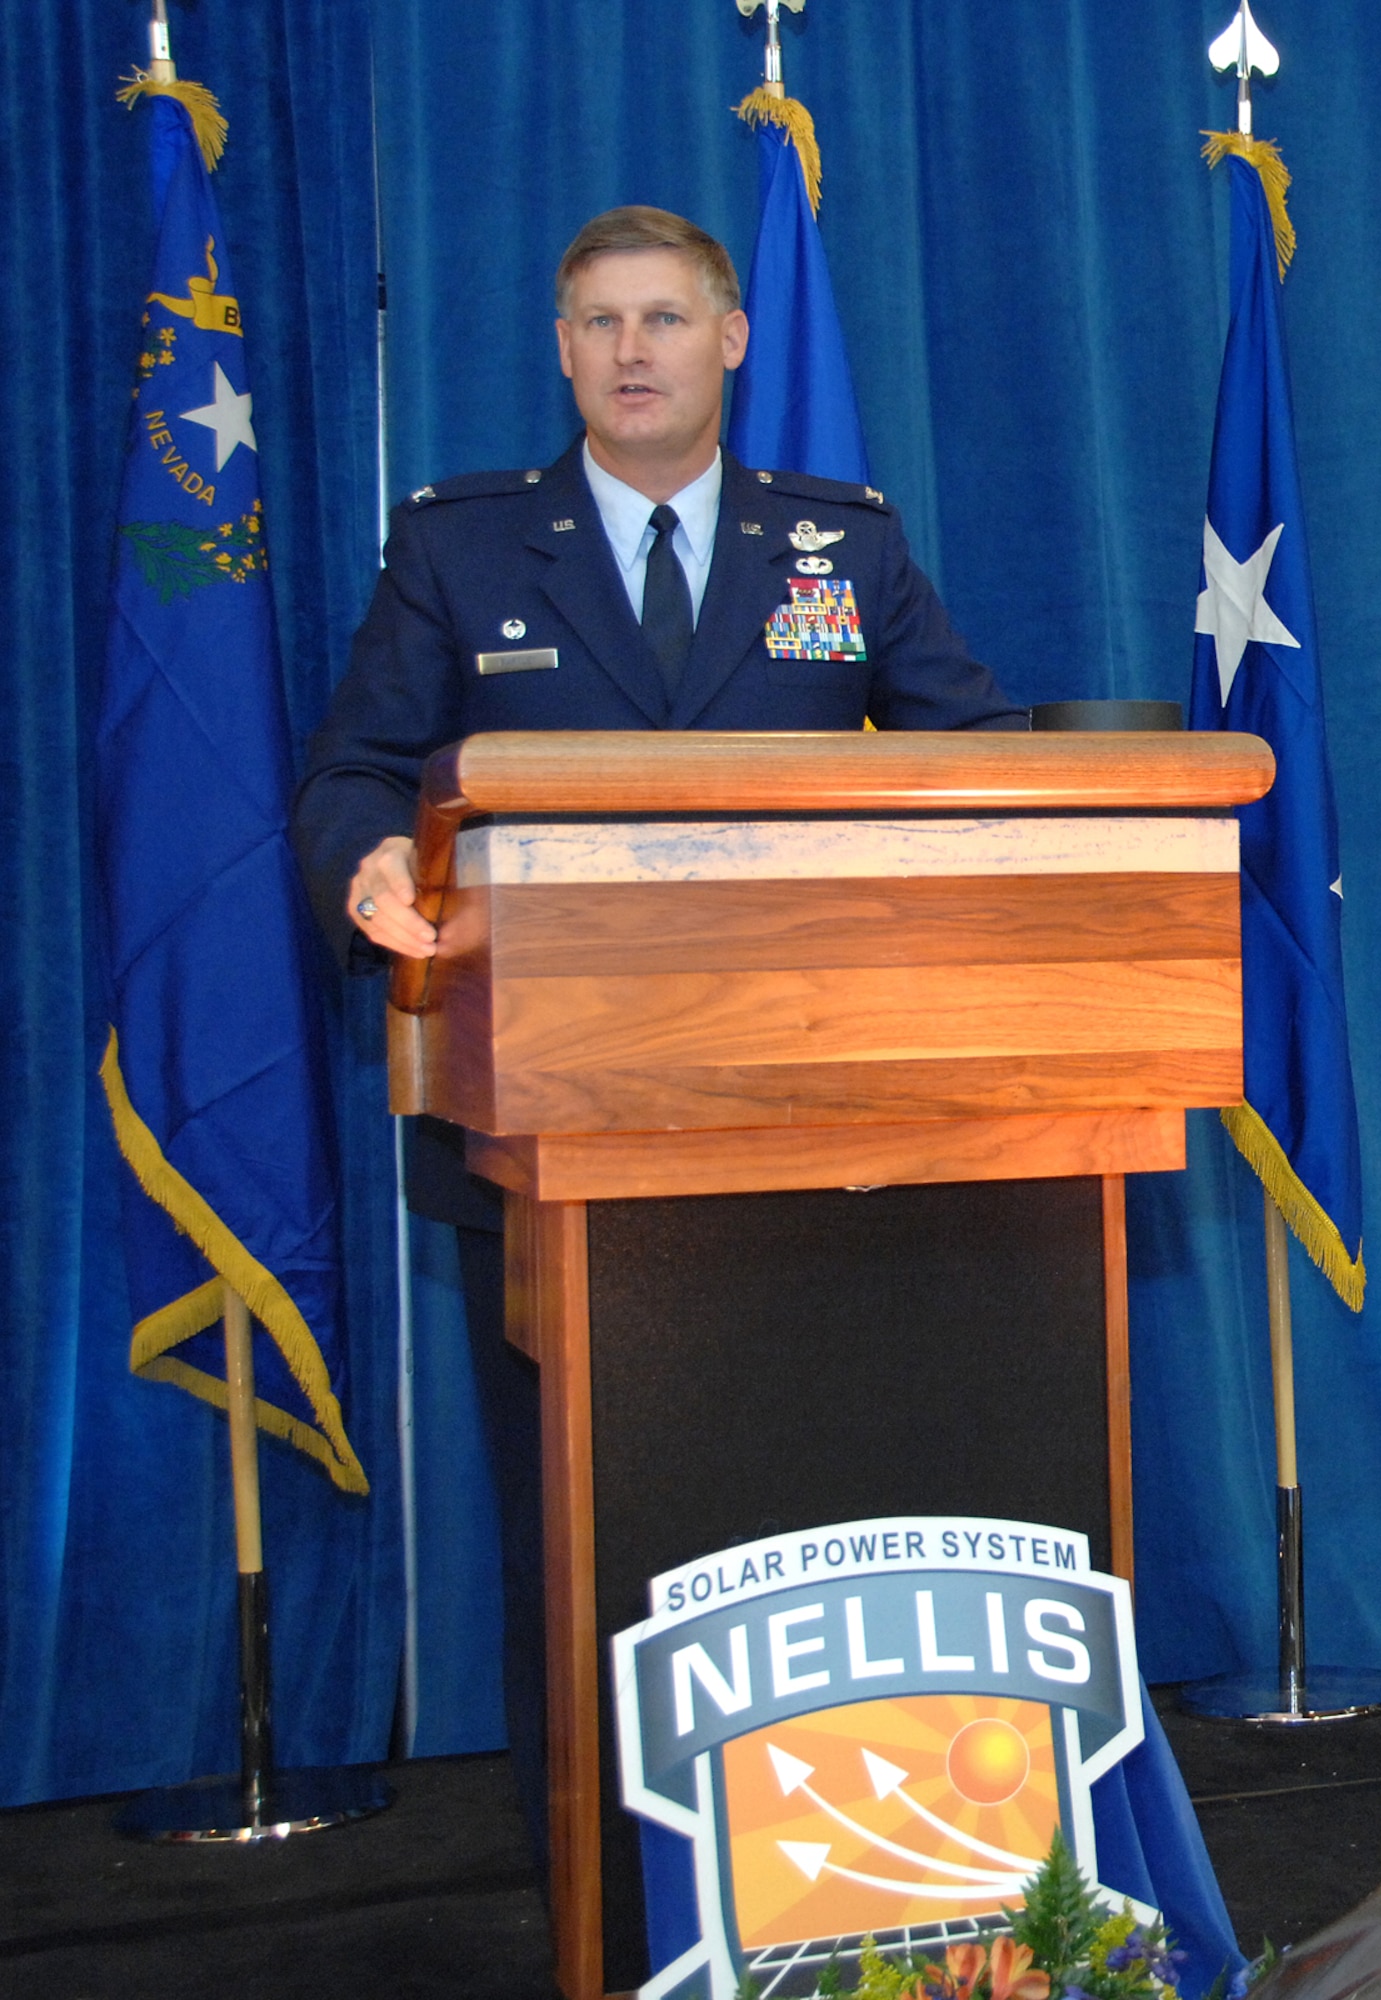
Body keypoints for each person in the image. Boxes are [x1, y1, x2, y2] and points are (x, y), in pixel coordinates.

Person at [291, 203, 1026, 1876]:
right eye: (601, 323)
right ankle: (601, 1877)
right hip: (536, 1124)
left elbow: (966, 757)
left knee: (790, 1500)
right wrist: (369, 858)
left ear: (731, 342)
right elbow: (354, 766)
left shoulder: (837, 546)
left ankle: (817, 1852)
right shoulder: (464, 547)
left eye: (665, 321)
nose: (633, 352)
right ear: (561, 351)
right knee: (584, 1523)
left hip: (804, 1125)